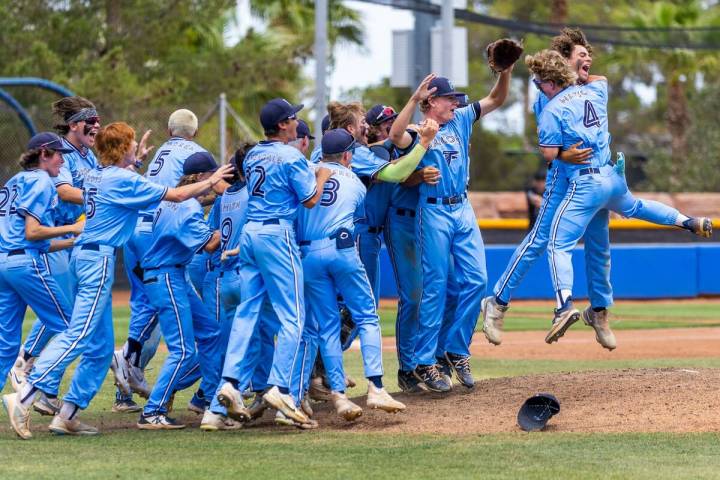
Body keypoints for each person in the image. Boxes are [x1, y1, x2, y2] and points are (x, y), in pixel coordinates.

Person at [481, 28, 712, 348]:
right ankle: (498, 303)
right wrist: (564, 152)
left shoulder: (588, 88)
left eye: (588, 53)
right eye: (580, 54)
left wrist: (575, 74)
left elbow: (593, 82)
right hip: (563, 180)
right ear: (563, 62)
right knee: (539, 242)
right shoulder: (547, 97)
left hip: (593, 181)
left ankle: (599, 311)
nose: (587, 57)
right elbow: (548, 150)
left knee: (599, 249)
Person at [4, 122, 233, 439]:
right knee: (81, 332)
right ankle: (26, 395)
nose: (134, 145)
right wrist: (213, 179)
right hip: (96, 259)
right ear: (123, 147)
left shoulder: (99, 173)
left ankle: (68, 414)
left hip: (86, 255)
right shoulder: (121, 179)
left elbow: (129, 188)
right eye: (132, 142)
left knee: (100, 348)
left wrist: (134, 162)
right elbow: (178, 193)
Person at [293, 127, 435, 421]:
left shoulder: (308, 174)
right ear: (348, 155)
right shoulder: (356, 184)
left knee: (327, 326)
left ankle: (339, 397)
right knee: (367, 317)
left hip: (308, 254)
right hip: (342, 249)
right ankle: (376, 387)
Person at [388, 66, 515, 392]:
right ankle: (425, 361)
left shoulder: (460, 120)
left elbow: (497, 99)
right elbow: (394, 136)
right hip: (432, 211)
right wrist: (413, 99)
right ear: (431, 102)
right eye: (448, 99)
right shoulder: (420, 129)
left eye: (455, 99)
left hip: (462, 206)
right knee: (435, 286)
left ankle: (456, 350)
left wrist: (506, 71)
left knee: (477, 280)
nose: (455, 104)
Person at [213, 98, 332, 429]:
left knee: (248, 311)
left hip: (249, 234)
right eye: (293, 117)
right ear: (283, 125)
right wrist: (320, 174)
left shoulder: (252, 155)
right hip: (276, 235)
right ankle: (281, 387)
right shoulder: (291, 155)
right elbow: (310, 199)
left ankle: (230, 382)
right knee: (293, 316)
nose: (297, 120)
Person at [110, 109, 223, 413]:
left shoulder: (162, 150)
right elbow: (197, 212)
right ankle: (129, 358)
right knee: (177, 338)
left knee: (149, 305)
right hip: (162, 250)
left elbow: (182, 197)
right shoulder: (195, 162)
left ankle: (128, 389)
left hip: (140, 226)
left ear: (169, 129)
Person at [10, 97, 104, 416]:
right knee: (68, 319)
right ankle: (27, 363)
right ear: (74, 124)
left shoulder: (88, 156)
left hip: (69, 239)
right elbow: (64, 192)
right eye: (89, 121)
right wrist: (104, 198)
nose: (96, 126)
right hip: (55, 235)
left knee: (69, 314)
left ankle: (47, 390)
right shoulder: (56, 151)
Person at [137, 154, 227, 429]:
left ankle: (211, 398)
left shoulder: (175, 201)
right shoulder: (187, 208)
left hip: (173, 273)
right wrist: (235, 224)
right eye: (213, 175)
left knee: (211, 333)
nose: (217, 180)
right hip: (166, 276)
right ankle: (152, 411)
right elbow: (209, 246)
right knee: (183, 351)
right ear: (202, 177)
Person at [0, 133, 81, 401]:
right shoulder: (42, 180)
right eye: (59, 154)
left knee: (6, 345)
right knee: (71, 328)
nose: (62, 161)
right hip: (23, 263)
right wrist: (73, 226)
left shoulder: (15, 180)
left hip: (5, 262)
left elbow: (35, 240)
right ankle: (30, 391)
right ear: (44, 153)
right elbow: (33, 232)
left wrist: (70, 241)